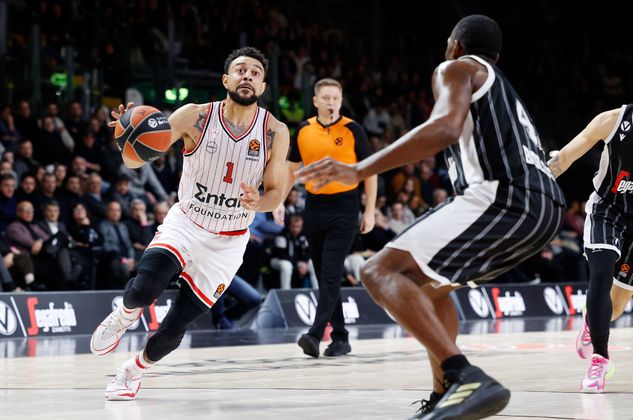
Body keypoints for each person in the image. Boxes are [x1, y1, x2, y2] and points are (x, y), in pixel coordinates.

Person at [297, 15, 565, 420]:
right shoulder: (503, 90)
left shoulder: (457, 68)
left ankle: (464, 376)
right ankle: (445, 396)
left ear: (455, 45)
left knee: (378, 271)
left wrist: (359, 169)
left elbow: (444, 127)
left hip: (503, 196)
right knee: (432, 288)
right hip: (544, 208)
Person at [90, 46, 289, 401]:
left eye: (256, 73)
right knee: (144, 289)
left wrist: (259, 202)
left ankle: (132, 370)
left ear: (262, 86)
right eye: (241, 70)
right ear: (225, 79)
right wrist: (127, 134)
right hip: (187, 223)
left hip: (229, 241)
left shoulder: (275, 131)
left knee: (176, 324)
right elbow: (136, 161)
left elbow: (276, 193)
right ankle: (123, 316)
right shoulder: (194, 116)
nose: (248, 76)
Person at [278, 77, 377, 358]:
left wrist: (369, 211)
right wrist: (279, 202)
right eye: (326, 98)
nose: (332, 103)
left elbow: (370, 172)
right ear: (316, 101)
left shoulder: (353, 129)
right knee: (325, 276)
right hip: (314, 206)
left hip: (345, 207)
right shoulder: (303, 129)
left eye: (336, 98)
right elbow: (291, 170)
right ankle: (341, 338)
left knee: (331, 272)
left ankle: (314, 334)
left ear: (341, 101)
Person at [548, 104, 633, 392]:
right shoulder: (613, 121)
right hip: (608, 210)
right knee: (600, 273)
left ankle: (591, 322)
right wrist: (538, 182)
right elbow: (564, 158)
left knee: (616, 306)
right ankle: (600, 359)